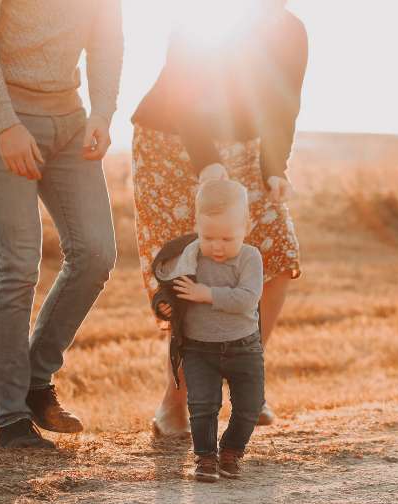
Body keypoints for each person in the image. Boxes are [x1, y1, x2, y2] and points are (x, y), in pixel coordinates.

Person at [131, 1, 308, 436]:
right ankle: (176, 403)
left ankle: (247, 375)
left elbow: (284, 106)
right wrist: (207, 162)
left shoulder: (290, 30)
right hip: (170, 142)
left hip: (244, 147)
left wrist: (274, 166)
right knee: (189, 267)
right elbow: (182, 93)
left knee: (277, 252)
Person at [0, 0, 123, 449]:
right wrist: (5, 123)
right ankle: (11, 419)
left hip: (68, 118)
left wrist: (103, 113)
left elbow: (107, 39)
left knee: (96, 253)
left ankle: (34, 380)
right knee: (19, 263)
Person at [151, 180, 265, 482]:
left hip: (244, 347)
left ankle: (231, 452)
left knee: (250, 406)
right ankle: (205, 458)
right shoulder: (189, 256)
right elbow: (169, 291)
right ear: (197, 226)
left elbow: (247, 299)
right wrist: (164, 306)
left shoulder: (250, 257)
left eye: (228, 238)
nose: (217, 245)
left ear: (246, 226)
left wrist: (207, 294)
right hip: (199, 349)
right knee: (202, 406)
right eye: (208, 236)